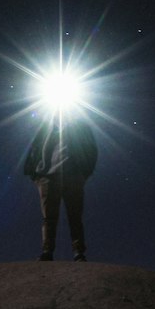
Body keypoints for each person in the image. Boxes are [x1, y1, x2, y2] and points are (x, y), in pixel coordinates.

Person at [22, 110, 98, 261]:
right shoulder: (44, 128)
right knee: (49, 217)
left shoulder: (81, 127)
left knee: (74, 216)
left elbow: (91, 150)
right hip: (47, 177)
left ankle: (78, 253)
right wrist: (36, 175)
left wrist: (83, 174)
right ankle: (47, 252)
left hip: (73, 175)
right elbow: (34, 150)